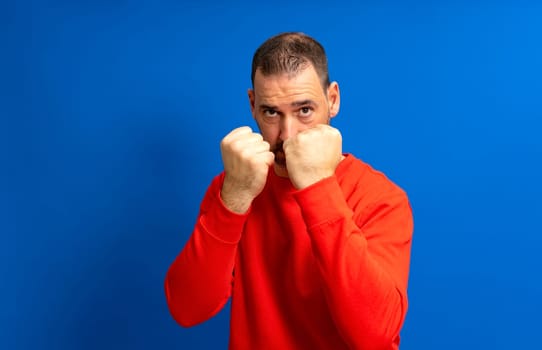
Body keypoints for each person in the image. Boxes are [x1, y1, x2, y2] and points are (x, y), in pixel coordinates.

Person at [164, 32, 413, 350]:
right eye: (271, 112)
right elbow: (187, 309)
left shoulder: (379, 198)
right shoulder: (237, 184)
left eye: (304, 110)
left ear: (332, 100)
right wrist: (234, 199)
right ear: (253, 105)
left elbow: (375, 337)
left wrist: (319, 187)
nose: (287, 134)